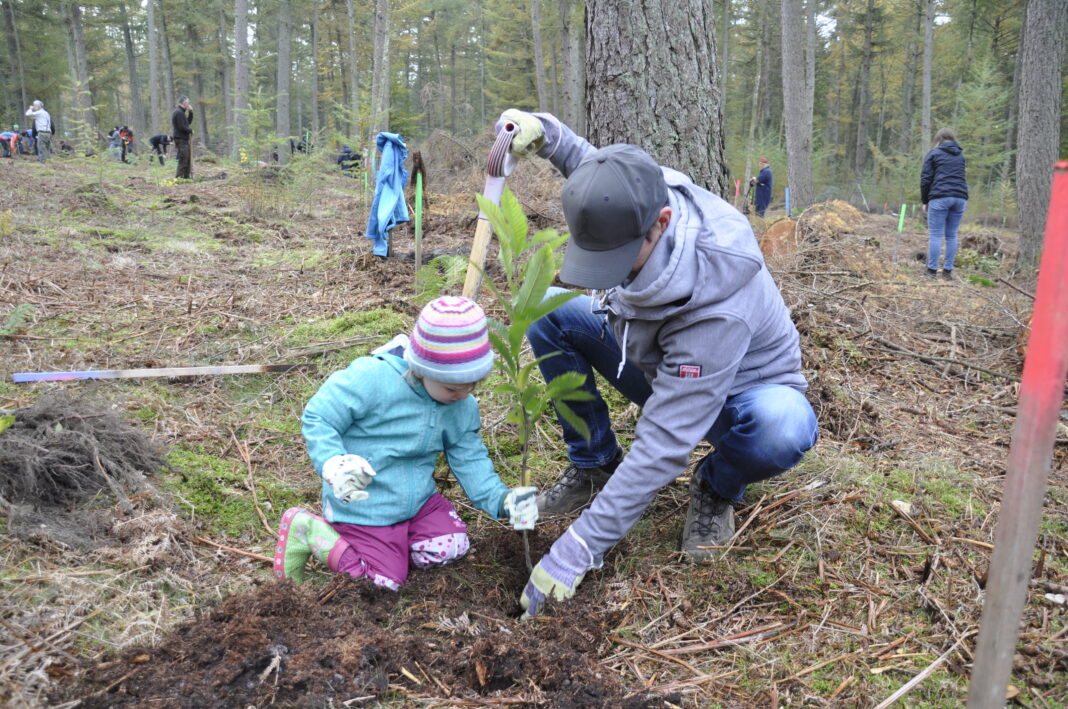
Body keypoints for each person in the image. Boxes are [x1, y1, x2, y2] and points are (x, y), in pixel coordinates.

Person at [492, 110, 819, 618]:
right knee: (549, 308)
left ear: (660, 226)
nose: (606, 274)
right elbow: (595, 173)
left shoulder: (717, 293)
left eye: (618, 258)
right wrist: (546, 134)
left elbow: (665, 441)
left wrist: (581, 547)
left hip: (736, 393)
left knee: (783, 427)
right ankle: (595, 464)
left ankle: (717, 485)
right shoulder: (643, 192)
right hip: (653, 361)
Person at [273, 296, 539, 589]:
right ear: (422, 369)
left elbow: (471, 459)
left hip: (418, 504)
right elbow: (320, 416)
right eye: (453, 387)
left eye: (472, 386)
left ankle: (393, 548)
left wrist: (503, 500)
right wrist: (333, 461)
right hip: (366, 507)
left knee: (452, 546)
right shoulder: (372, 379)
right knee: (384, 584)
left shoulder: (461, 406)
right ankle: (309, 530)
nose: (463, 395)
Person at [920, 128, 968, 280]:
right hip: (960, 198)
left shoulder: (933, 154)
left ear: (938, 140)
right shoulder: (960, 155)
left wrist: (925, 200)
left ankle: (932, 271)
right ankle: (947, 272)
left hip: (940, 197)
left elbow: (926, 179)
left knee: (935, 235)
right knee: (951, 235)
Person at [171, 96, 193, 179]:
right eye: (188, 102)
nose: (189, 104)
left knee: (187, 159)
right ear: (184, 103)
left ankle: (186, 178)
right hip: (180, 139)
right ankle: (179, 178)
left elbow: (187, 123)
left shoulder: (181, 112)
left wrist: (190, 112)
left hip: (183, 139)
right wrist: (190, 131)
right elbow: (182, 127)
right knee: (183, 159)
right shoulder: (178, 112)